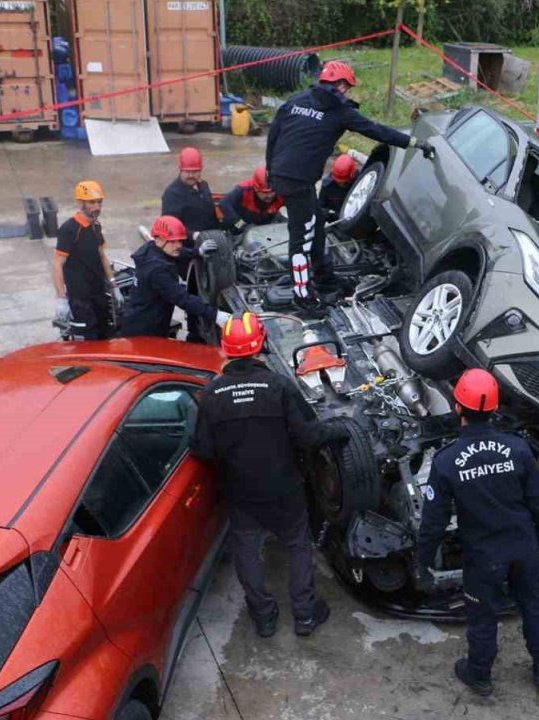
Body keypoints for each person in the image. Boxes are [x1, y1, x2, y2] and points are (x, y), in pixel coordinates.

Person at [190, 311, 350, 638]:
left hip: (240, 493)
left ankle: (263, 616)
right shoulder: (278, 386)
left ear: (226, 348)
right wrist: (340, 430)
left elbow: (203, 449)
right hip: (283, 488)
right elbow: (309, 436)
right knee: (298, 545)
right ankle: (305, 615)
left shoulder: (212, 394)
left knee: (247, 550)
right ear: (260, 344)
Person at [416, 369, 539, 697]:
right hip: (523, 547)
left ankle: (479, 673)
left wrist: (423, 563)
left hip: (483, 557)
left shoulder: (447, 461)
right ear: (494, 408)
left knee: (482, 615)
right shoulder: (518, 448)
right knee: (533, 605)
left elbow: (434, 521)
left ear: (457, 408)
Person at [265, 60, 435, 309]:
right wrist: (413, 143)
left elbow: (274, 134)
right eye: (347, 87)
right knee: (301, 239)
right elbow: (376, 130)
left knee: (317, 226)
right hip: (298, 183)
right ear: (342, 85)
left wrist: (270, 169)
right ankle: (302, 297)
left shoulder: (296, 100)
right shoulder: (339, 111)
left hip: (282, 173)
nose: (347, 92)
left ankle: (324, 278)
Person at [119, 215, 231, 339]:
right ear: (159, 240)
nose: (178, 245)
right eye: (173, 241)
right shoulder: (157, 270)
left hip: (143, 320)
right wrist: (216, 315)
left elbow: (177, 252)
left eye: (180, 241)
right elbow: (182, 298)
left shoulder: (151, 248)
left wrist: (198, 252)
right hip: (144, 332)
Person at [161, 146, 222, 343]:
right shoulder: (172, 194)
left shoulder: (203, 187)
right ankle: (196, 335)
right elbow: (169, 226)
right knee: (195, 293)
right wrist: (193, 235)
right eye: (188, 171)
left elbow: (212, 216)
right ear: (180, 169)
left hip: (210, 247)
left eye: (195, 171)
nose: (191, 175)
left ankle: (214, 325)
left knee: (215, 288)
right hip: (186, 254)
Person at [52, 180, 121, 340]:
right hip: (80, 300)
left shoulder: (95, 226)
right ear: (80, 202)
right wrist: (62, 299)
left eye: (99, 202)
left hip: (98, 294)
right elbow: (57, 265)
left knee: (105, 337)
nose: (96, 206)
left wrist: (114, 284)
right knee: (86, 343)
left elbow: (102, 255)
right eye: (91, 202)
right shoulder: (69, 229)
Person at [219, 166, 285, 233]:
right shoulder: (244, 189)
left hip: (263, 225)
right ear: (256, 189)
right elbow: (223, 203)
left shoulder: (282, 192)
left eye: (272, 191)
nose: (270, 196)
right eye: (265, 193)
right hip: (239, 226)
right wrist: (241, 225)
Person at [317, 154, 358, 223]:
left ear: (352, 175)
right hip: (335, 221)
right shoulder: (328, 186)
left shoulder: (361, 183)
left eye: (344, 182)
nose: (341, 184)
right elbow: (320, 207)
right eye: (339, 181)